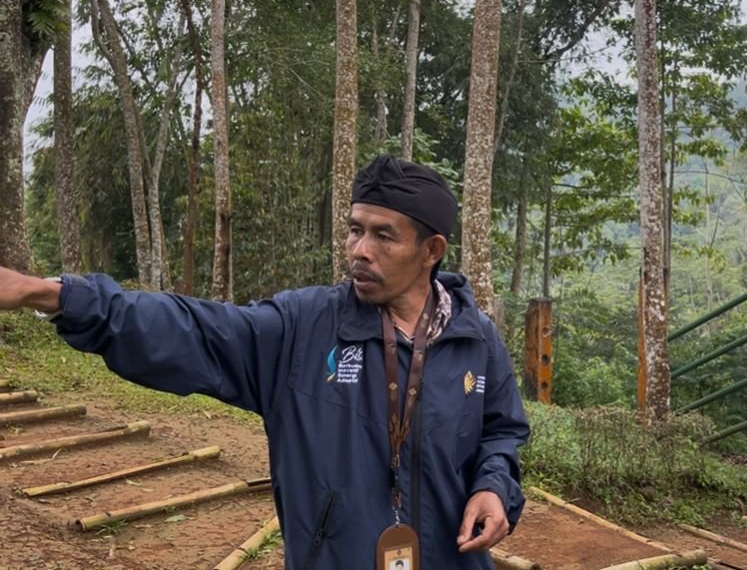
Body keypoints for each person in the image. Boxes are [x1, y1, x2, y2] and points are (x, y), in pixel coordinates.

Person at [0, 155, 530, 569]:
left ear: (431, 249)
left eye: (383, 235)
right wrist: (50, 295)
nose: (359, 250)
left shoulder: (474, 337)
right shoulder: (302, 329)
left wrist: (493, 487)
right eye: (355, 229)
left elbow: (501, 432)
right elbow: (191, 328)